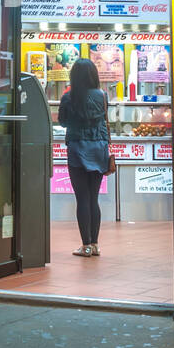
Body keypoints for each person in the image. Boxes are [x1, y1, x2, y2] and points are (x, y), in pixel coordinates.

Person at [58, 57, 111, 258]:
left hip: (77, 150)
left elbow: (62, 122)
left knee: (82, 198)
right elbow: (106, 121)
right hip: (98, 148)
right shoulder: (102, 95)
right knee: (94, 198)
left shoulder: (68, 97)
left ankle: (86, 246)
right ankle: (95, 245)